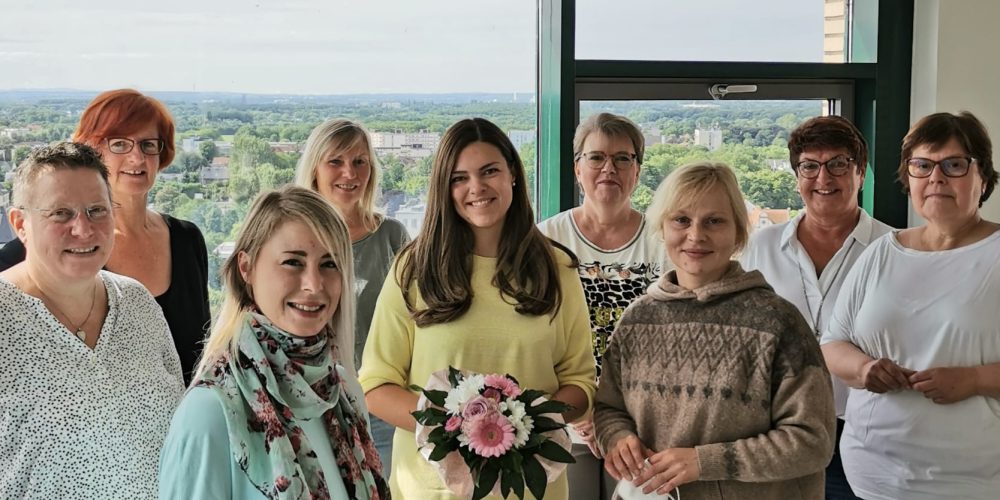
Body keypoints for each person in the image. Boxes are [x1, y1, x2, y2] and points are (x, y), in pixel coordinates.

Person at [359, 117, 597, 499]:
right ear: (443, 187)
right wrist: (455, 430)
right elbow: (375, 384)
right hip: (431, 491)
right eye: (459, 178)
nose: (477, 188)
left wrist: (521, 426)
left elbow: (581, 384)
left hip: (533, 491)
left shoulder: (558, 270)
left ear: (514, 176)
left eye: (490, 172)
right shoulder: (413, 268)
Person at [594, 162, 835, 499]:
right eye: (681, 220)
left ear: (738, 232)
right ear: (662, 229)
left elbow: (812, 441)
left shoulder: (778, 323)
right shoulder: (637, 320)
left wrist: (704, 462)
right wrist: (617, 438)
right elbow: (608, 408)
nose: (695, 235)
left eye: (714, 221)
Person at [158, 185, 389, 499]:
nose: (314, 284)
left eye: (329, 263)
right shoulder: (210, 412)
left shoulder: (344, 392)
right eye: (293, 262)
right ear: (246, 268)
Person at [820, 111, 1000, 500]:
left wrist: (974, 380)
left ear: (982, 176)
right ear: (909, 178)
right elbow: (833, 343)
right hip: (870, 475)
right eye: (922, 165)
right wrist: (865, 368)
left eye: (954, 164)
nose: (936, 178)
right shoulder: (883, 252)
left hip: (971, 482)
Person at [0, 143, 183, 498]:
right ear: (20, 224)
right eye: (61, 213)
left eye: (97, 210)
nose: (83, 229)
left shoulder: (137, 301)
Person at [0, 89, 210, 383]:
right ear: (91, 150)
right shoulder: (26, 253)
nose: (137, 157)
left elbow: (203, 356)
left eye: (148, 144)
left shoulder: (187, 240)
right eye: (120, 143)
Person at [740, 115, 893, 499]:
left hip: (864, 430)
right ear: (796, 176)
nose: (824, 179)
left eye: (839, 164)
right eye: (810, 166)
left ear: (861, 173)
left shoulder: (894, 250)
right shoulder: (759, 248)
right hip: (778, 428)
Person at [538, 112, 668, 499]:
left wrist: (619, 420)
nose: (608, 168)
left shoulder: (665, 240)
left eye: (622, 158)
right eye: (596, 157)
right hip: (563, 422)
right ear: (578, 169)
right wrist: (580, 412)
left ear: (638, 170)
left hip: (643, 427)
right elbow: (535, 333)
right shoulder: (544, 241)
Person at [295, 118, 410, 471]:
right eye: (336, 161)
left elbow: (418, 319)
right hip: (315, 404)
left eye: (360, 161)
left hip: (384, 407)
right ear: (315, 168)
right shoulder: (293, 238)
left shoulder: (392, 236)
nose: (350, 172)